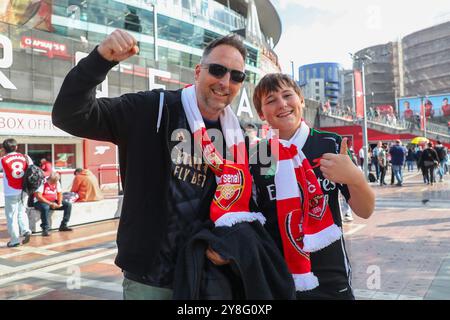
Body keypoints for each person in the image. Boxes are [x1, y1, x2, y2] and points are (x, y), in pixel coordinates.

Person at [52, 30, 254, 299]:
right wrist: (100, 60)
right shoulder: (153, 108)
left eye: (236, 76)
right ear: (198, 72)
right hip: (152, 279)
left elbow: (243, 203)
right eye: (217, 70)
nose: (225, 81)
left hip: (208, 276)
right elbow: (70, 115)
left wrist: (230, 247)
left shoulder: (237, 137)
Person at [250, 73, 374, 299]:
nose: (282, 104)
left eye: (288, 95)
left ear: (301, 100)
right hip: (277, 279)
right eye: (271, 100)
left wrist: (355, 177)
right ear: (261, 113)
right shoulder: (256, 157)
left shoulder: (330, 144)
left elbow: (365, 210)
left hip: (330, 279)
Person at [0, 139, 33, 247]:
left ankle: (14, 240)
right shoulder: (25, 157)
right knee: (21, 212)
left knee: (11, 216)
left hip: (10, 191)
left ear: (4, 149)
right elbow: (32, 168)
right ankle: (26, 230)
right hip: (24, 190)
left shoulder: (3, 159)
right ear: (16, 147)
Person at [33, 172, 73, 236]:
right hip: (39, 202)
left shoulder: (56, 182)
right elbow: (38, 196)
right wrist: (50, 204)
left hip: (52, 201)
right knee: (45, 207)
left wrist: (59, 203)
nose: (54, 183)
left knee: (68, 205)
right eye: (53, 182)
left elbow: (59, 193)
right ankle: (45, 229)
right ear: (50, 179)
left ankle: (63, 225)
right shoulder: (42, 182)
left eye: (55, 182)